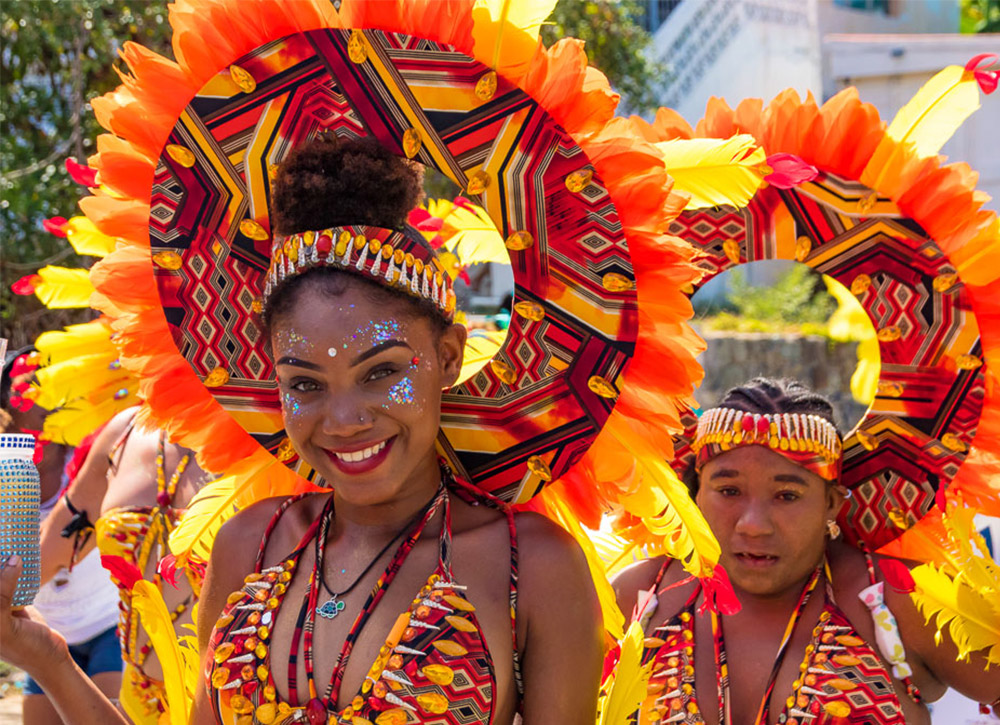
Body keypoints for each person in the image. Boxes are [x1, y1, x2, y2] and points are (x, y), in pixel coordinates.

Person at [2, 135, 603, 724]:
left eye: (381, 372)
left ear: (448, 356)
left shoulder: (533, 564)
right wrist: (47, 660)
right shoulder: (248, 545)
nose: (343, 421)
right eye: (306, 384)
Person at [612, 378, 1000, 725]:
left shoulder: (902, 598)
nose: (753, 524)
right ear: (695, 495)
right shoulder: (638, 598)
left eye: (787, 495)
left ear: (831, 504)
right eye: (729, 491)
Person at [35, 404, 212, 724]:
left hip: (235, 705)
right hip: (135, 708)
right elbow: (43, 561)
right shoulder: (128, 428)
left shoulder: (281, 440)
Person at [1, 350, 122, 725]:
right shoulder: (7, 470)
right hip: (43, 632)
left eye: (55, 382)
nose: (47, 394)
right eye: (32, 385)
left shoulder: (92, 459)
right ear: (7, 401)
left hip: (109, 629)